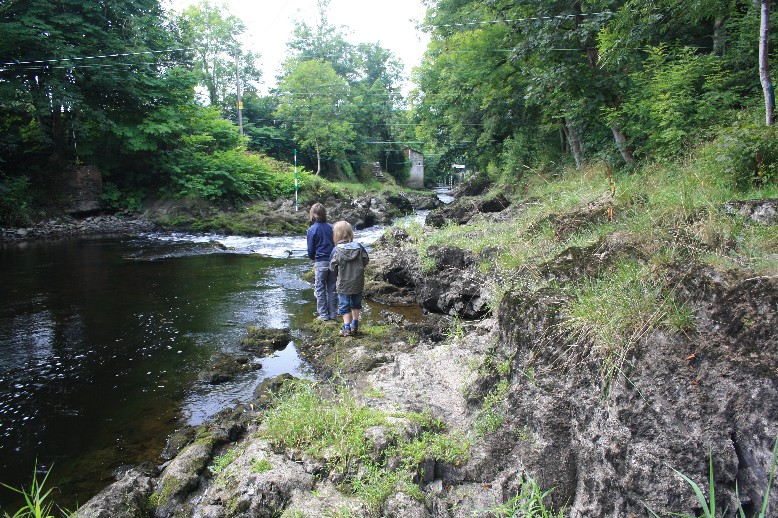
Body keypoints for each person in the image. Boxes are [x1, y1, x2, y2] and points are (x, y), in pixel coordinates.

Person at [330, 220, 369, 336]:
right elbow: (366, 260)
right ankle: (355, 324)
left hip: (343, 283)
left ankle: (347, 328)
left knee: (344, 305)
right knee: (356, 303)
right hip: (358, 281)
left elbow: (332, 267)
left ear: (336, 235)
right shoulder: (359, 247)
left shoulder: (336, 250)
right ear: (350, 233)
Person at [307, 203, 337, 321]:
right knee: (332, 288)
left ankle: (324, 315)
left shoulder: (312, 229)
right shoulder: (331, 227)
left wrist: (313, 258)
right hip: (333, 261)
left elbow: (310, 249)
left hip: (320, 261)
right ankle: (333, 314)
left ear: (313, 215)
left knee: (320, 289)